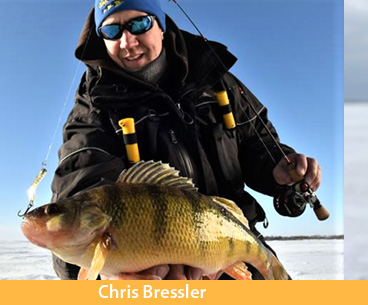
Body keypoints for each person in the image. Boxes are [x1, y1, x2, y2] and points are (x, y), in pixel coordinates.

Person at [50, 0, 321, 280]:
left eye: (139, 23)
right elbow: (81, 183)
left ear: (161, 25)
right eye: (111, 31)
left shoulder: (217, 79)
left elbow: (257, 140)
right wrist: (106, 269)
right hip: (156, 274)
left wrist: (278, 167)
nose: (127, 41)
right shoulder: (92, 109)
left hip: (230, 243)